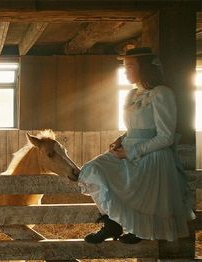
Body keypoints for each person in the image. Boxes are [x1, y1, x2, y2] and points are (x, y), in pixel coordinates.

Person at [78, 47, 196, 244]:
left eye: (130, 66)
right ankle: (112, 224)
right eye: (124, 67)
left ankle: (138, 230)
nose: (126, 71)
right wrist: (122, 139)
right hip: (127, 149)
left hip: (153, 154)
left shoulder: (162, 94)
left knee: (143, 197)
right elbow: (137, 127)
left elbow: (165, 136)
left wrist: (132, 151)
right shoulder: (132, 95)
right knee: (92, 169)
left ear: (145, 67)